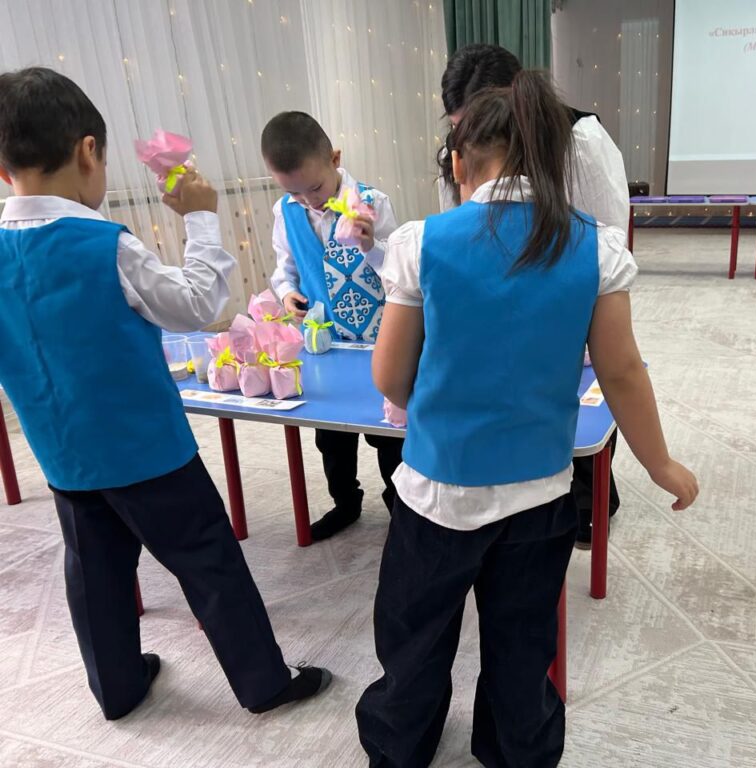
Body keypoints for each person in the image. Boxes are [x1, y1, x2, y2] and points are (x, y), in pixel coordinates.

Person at [357, 70, 698, 767]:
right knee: (522, 647)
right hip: (541, 496)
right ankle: (518, 752)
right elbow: (622, 371)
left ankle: (401, 747)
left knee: (413, 638)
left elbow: (390, 377)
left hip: (436, 496)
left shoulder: (422, 243)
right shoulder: (594, 247)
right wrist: (660, 463)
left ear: (458, 162)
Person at [0, 67, 330, 720]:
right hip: (148, 451)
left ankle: (117, 688)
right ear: (88, 151)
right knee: (209, 561)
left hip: (63, 455)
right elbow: (198, 305)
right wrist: (202, 219)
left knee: (93, 568)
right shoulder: (103, 244)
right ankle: (264, 683)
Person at [437, 43, 630, 548]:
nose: (471, 139)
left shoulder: (580, 139)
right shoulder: (459, 150)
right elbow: (459, 224)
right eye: (459, 127)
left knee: (580, 405)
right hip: (497, 300)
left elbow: (607, 232)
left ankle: (591, 500)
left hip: (563, 296)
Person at [261, 111, 404, 540]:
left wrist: (371, 244)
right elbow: (284, 268)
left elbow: (401, 270)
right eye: (293, 191)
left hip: (379, 341)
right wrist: (287, 294)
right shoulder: (286, 211)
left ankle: (400, 507)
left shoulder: (373, 202)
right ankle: (345, 501)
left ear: (335, 159)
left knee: (389, 434)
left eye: (315, 188)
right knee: (331, 436)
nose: (309, 200)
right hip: (324, 344)